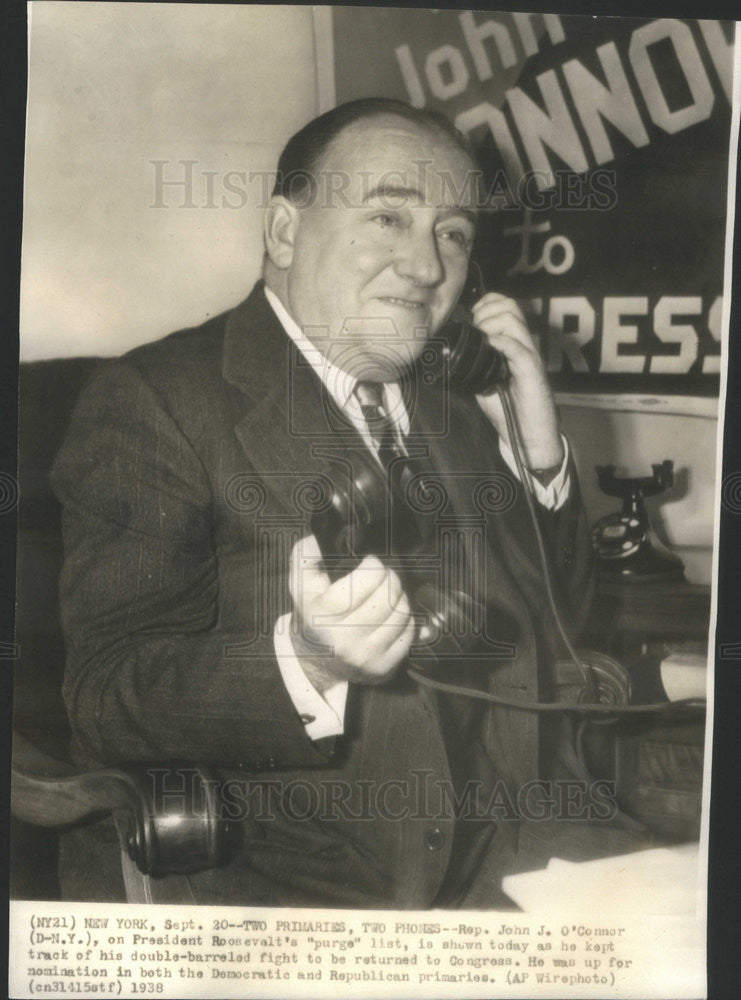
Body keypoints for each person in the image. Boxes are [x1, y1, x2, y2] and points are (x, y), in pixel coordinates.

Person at [51, 98, 598, 908]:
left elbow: (562, 625)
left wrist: (539, 459)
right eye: (387, 216)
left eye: (452, 233)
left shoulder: (450, 407)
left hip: (521, 850)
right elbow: (105, 695)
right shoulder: (157, 401)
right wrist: (307, 661)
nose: (425, 265)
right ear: (282, 232)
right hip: (312, 886)